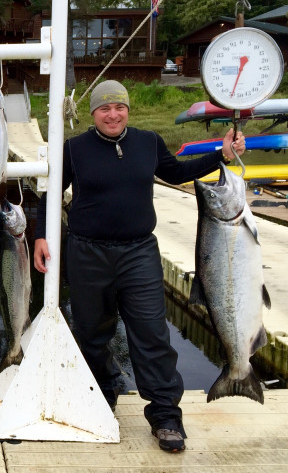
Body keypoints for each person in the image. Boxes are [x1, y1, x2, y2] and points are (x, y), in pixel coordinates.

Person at [33, 80, 246, 453]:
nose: (112, 114)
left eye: (119, 107)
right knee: (92, 332)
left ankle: (165, 415)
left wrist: (221, 155)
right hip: (87, 252)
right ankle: (105, 389)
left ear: (128, 110)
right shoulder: (74, 149)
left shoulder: (148, 142)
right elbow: (50, 194)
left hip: (139, 253)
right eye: (104, 108)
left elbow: (178, 173)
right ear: (93, 113)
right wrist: (40, 235)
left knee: (151, 334)